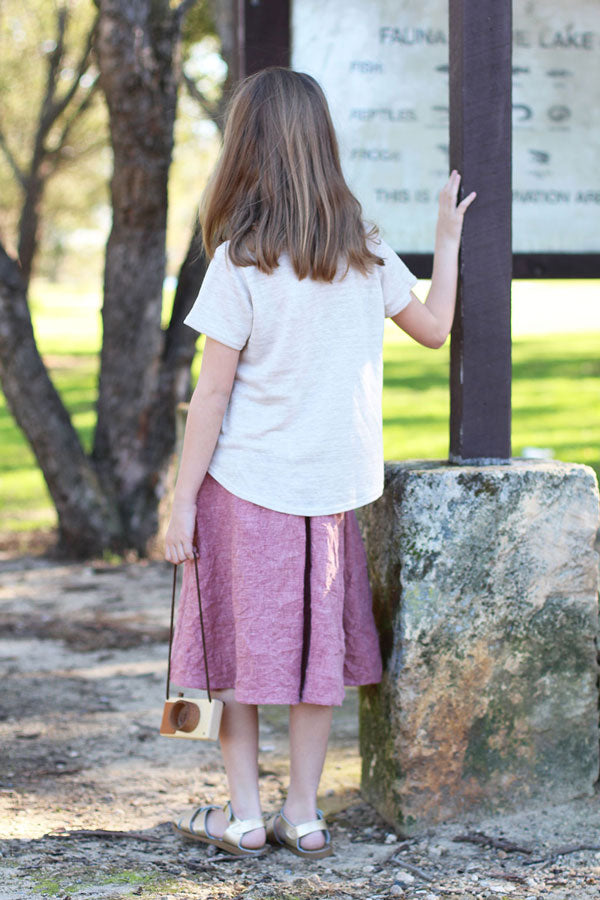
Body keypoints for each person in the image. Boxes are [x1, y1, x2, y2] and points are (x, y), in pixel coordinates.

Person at [164, 66, 476, 859]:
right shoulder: (364, 250)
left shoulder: (239, 260)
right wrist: (446, 239)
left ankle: (243, 815)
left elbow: (211, 396)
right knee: (314, 658)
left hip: (245, 488)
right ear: (321, 145)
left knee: (236, 652)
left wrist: (181, 501)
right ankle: (302, 816)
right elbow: (434, 328)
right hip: (332, 497)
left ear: (246, 149)